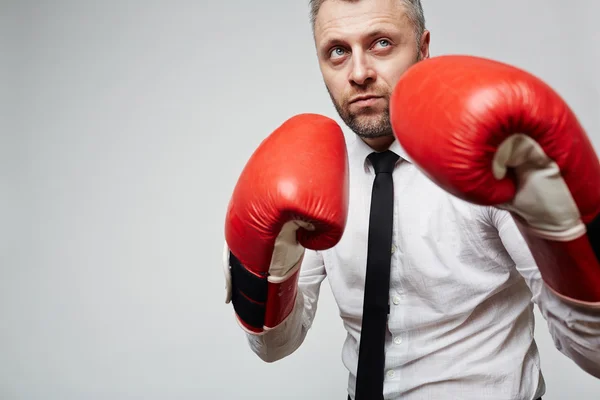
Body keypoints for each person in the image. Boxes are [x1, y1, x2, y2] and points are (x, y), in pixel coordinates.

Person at [222, 1, 600, 399]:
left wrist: (562, 233)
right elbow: (275, 346)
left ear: (423, 49)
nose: (359, 73)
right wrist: (270, 265)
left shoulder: (494, 163)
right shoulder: (314, 173)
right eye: (338, 51)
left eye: (381, 43)